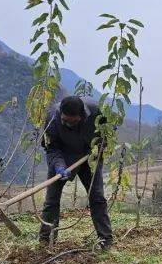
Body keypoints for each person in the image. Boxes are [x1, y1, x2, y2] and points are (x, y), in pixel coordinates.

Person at [39, 95, 113, 249]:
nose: (68, 124)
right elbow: (51, 147)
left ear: (82, 116)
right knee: (51, 200)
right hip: (63, 157)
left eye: (73, 122)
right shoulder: (52, 117)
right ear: (60, 114)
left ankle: (105, 241)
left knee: (97, 197)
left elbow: (109, 131)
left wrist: (102, 144)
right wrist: (59, 166)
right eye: (65, 121)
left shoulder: (96, 112)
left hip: (89, 156)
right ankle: (46, 241)